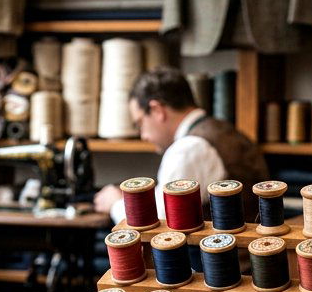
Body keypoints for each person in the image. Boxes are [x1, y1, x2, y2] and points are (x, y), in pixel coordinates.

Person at [94, 66, 269, 220]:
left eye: (140, 123)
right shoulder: (223, 130)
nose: (143, 136)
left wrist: (116, 204)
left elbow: (161, 225)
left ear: (157, 110)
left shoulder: (188, 149)